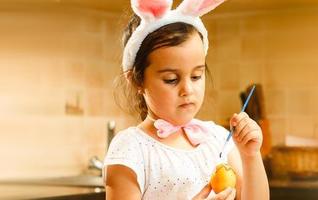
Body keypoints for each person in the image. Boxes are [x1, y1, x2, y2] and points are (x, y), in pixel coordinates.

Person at [103, 0, 269, 199]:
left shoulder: (216, 140)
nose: (187, 89)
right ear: (137, 80)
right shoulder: (131, 150)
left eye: (196, 76)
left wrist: (251, 156)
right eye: (171, 79)